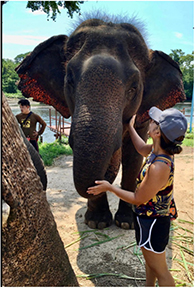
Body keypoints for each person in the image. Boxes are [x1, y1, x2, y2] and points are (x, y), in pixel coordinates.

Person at [87, 106, 188, 287]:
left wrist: (110, 188)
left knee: (161, 270)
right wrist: (130, 127)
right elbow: (141, 148)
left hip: (154, 222)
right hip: (146, 219)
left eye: (154, 121)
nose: (150, 121)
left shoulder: (159, 166)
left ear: (157, 132)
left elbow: (137, 198)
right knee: (150, 263)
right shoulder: (158, 151)